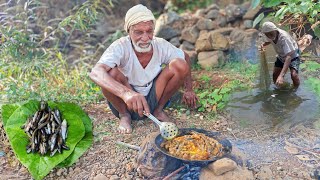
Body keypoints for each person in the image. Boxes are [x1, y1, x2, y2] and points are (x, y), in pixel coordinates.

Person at [89, 4, 198, 134]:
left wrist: (189, 89)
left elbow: (185, 56)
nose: (145, 38)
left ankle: (158, 110)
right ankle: (124, 115)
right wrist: (126, 93)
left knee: (179, 64)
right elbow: (96, 72)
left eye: (149, 31)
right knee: (109, 72)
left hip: (153, 97)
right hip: (125, 102)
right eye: (138, 32)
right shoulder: (120, 46)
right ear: (128, 31)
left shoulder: (160, 44)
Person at [259, 21, 301, 88]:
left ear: (275, 30)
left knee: (294, 75)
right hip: (281, 56)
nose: (269, 36)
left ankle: (295, 90)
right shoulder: (269, 35)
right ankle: (280, 90)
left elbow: (288, 57)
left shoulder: (284, 37)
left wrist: (281, 76)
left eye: (271, 33)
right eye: (267, 34)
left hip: (292, 56)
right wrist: (264, 44)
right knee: (275, 75)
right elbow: (269, 40)